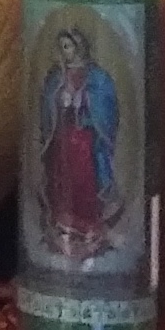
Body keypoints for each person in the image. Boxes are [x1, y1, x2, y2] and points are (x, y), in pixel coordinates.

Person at [37, 24, 122, 260]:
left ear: (79, 47)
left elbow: (106, 105)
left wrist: (84, 100)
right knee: (62, 178)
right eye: (62, 47)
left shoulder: (97, 77)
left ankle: (88, 226)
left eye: (68, 46)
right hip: (63, 137)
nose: (65, 52)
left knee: (85, 179)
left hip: (84, 139)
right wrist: (59, 99)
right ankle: (63, 224)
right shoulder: (57, 76)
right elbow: (47, 105)